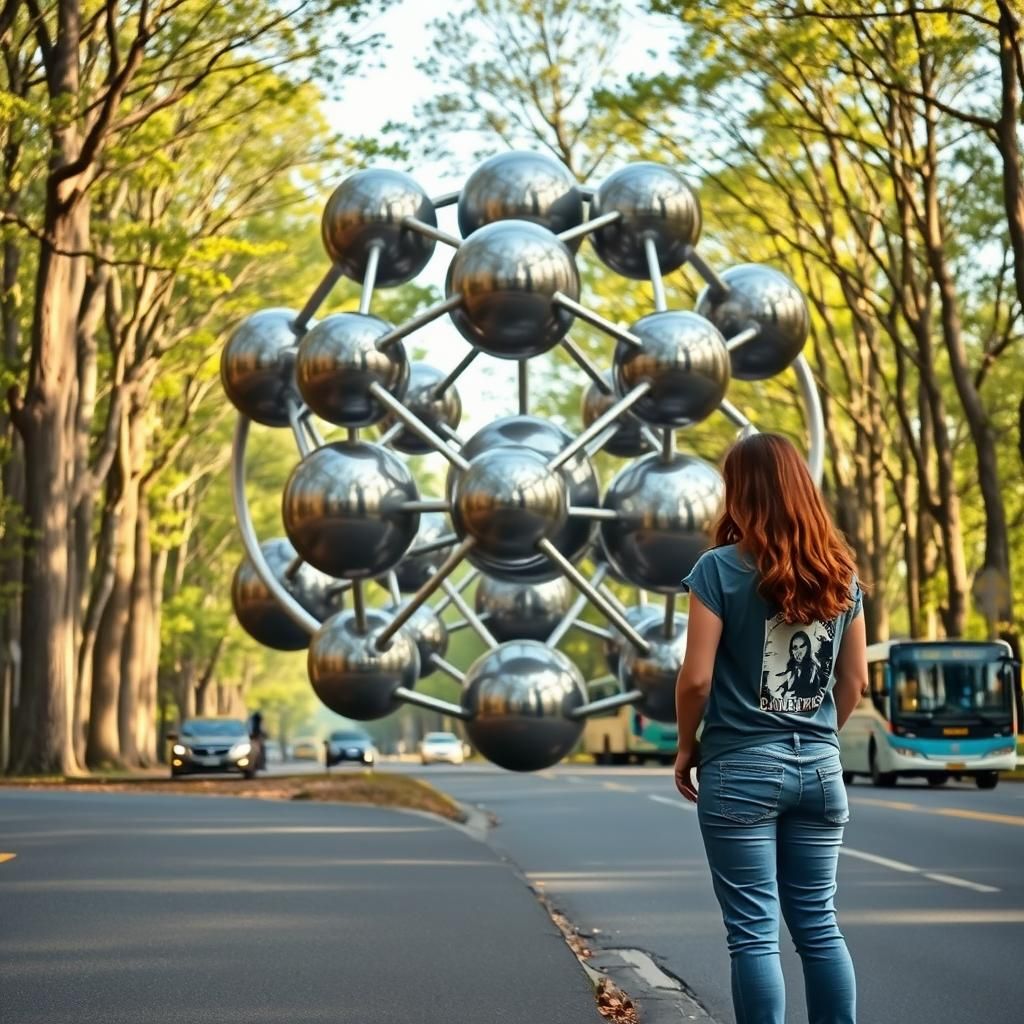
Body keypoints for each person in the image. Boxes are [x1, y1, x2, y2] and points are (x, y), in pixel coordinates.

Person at [674, 433, 868, 1024]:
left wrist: (687, 747)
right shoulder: (841, 576)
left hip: (740, 770)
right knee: (819, 925)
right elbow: (854, 682)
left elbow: (696, 681)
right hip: (820, 769)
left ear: (741, 492)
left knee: (754, 934)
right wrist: (814, 735)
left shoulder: (718, 570)